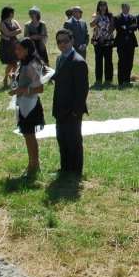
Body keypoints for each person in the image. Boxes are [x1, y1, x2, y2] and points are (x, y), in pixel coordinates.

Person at [52, 29, 89, 175]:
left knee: (74, 140)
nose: (62, 44)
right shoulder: (60, 58)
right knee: (62, 138)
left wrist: (75, 111)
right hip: (60, 107)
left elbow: (82, 90)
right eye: (59, 41)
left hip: (72, 110)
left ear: (72, 41)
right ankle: (65, 167)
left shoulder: (78, 62)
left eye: (65, 41)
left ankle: (75, 170)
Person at [10, 39, 45, 176]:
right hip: (24, 104)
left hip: (30, 105)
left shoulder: (31, 64)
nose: (16, 51)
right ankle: (32, 164)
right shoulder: (23, 63)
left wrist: (21, 90)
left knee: (30, 136)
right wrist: (14, 78)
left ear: (27, 50)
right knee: (27, 135)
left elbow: (40, 88)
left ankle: (34, 165)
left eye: (19, 49)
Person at [90, 0, 115, 87]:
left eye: (104, 5)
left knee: (108, 61)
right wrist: (97, 17)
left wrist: (106, 36)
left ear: (106, 6)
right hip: (98, 41)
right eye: (101, 5)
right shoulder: (95, 15)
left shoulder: (110, 15)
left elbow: (112, 27)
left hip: (108, 41)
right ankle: (98, 79)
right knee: (98, 61)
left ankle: (108, 79)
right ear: (98, 6)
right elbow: (91, 25)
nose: (103, 7)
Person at [114, 3, 138, 87]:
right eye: (125, 8)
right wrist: (129, 28)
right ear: (122, 8)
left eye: (128, 8)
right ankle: (120, 80)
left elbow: (135, 28)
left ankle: (127, 79)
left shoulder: (133, 18)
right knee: (121, 61)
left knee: (130, 61)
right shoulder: (117, 18)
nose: (126, 9)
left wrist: (125, 27)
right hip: (121, 43)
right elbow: (118, 28)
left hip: (131, 43)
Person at [0, 6, 22, 86]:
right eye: (12, 13)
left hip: (15, 45)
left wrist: (9, 34)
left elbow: (20, 30)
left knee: (15, 63)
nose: (13, 14)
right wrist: (14, 33)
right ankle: (7, 78)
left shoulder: (14, 21)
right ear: (8, 13)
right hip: (6, 46)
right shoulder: (2, 23)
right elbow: (7, 33)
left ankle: (10, 77)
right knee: (11, 63)